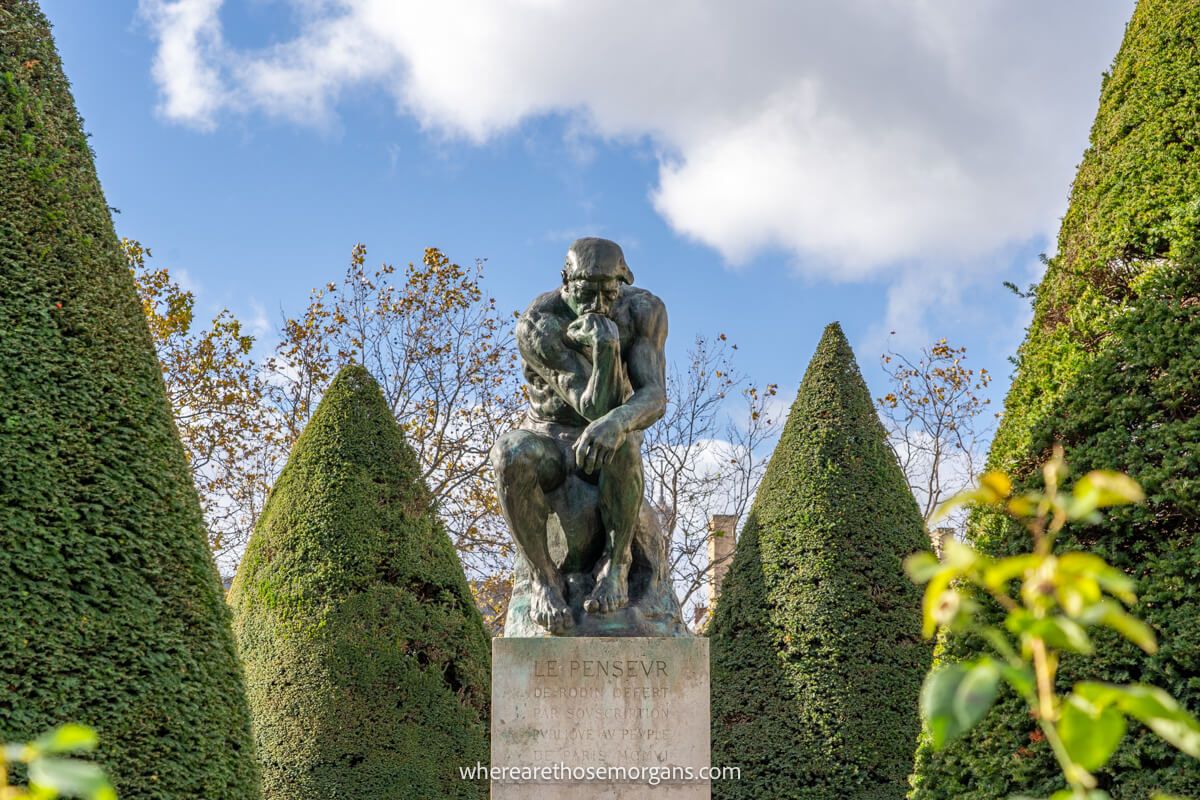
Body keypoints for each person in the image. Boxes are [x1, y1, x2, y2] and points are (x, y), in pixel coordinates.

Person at [491, 237, 668, 634]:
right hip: (551, 440)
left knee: (621, 443)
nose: (599, 305)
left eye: (609, 293)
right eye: (587, 293)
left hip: (608, 439)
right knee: (509, 453)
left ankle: (616, 563)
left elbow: (654, 395)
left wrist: (619, 422)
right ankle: (543, 578)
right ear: (565, 282)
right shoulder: (539, 322)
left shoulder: (644, 310)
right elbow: (589, 406)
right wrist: (606, 347)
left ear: (623, 282)